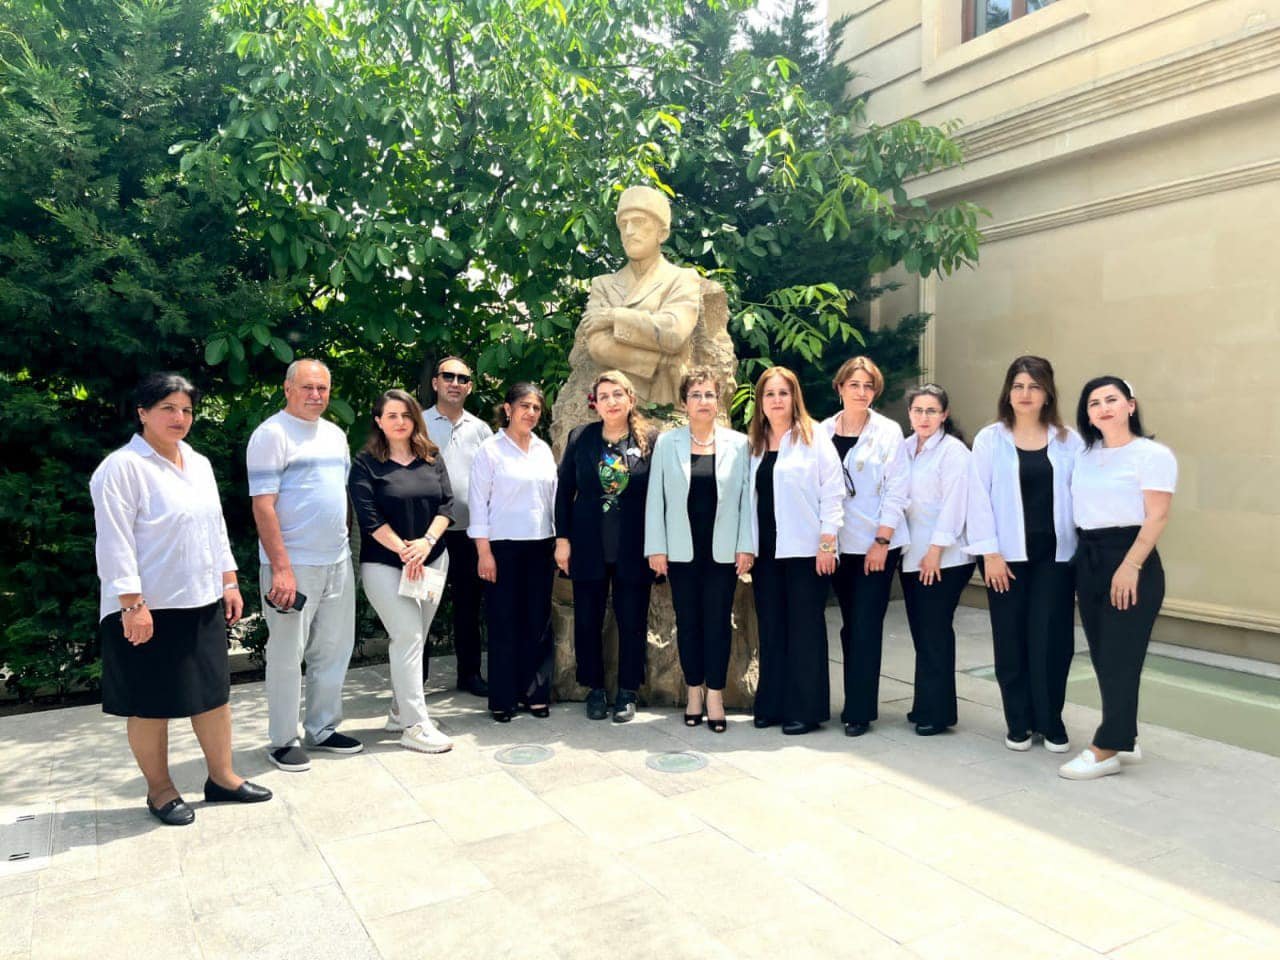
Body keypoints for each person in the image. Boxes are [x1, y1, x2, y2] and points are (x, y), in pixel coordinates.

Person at [91, 373, 271, 826]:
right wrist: (132, 604)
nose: (179, 417)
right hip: (148, 608)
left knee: (213, 696)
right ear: (142, 412)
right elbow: (113, 542)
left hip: (201, 599)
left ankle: (222, 778)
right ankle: (161, 790)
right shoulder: (122, 467)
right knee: (150, 704)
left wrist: (228, 581)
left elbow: (215, 527)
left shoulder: (198, 462)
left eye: (187, 410)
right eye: (168, 408)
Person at [248, 359, 362, 772]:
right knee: (286, 654)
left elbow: (339, 496)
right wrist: (281, 569)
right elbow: (263, 506)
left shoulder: (334, 435)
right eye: (308, 387)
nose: (316, 395)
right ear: (288, 389)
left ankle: (323, 728)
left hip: (336, 561)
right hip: (292, 566)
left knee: (333, 650)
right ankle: (283, 740)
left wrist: (344, 548)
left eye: (323, 388)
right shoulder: (271, 435)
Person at [1059, 376, 1175, 780]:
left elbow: (1157, 516)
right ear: (1087, 414)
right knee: (1103, 656)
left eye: (1111, 399)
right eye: (1094, 403)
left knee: (1121, 657)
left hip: (1130, 558)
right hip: (1088, 557)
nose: (1103, 408)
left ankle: (1106, 747)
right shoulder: (1085, 455)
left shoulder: (1152, 455)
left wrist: (1130, 566)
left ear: (1130, 405)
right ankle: (1125, 734)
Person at [967, 356, 1083, 754]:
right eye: (1018, 386)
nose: (1025, 394)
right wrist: (990, 554)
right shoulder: (990, 439)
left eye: (1034, 386)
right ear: (1008, 393)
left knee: (1053, 642)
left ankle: (1050, 721)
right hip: (1005, 558)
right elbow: (977, 499)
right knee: (1011, 639)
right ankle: (1018, 721)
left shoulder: (1069, 441)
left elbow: (1082, 495)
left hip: (1056, 558)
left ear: (1048, 393)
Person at [645, 369, 754, 733]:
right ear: (684, 402)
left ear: (718, 400)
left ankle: (716, 696)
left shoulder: (738, 443)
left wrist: (746, 546)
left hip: (723, 553)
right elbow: (655, 500)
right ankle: (694, 691)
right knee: (688, 622)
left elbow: (746, 500)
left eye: (709, 394)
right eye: (696, 395)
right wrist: (656, 548)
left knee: (719, 624)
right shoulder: (667, 443)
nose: (703, 401)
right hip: (681, 552)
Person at [348, 389, 455, 754]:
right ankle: (415, 725)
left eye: (406, 415)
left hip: (432, 560)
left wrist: (426, 543)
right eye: (391, 415)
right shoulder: (365, 464)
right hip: (385, 564)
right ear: (378, 421)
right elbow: (369, 517)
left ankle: (399, 709)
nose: (400, 421)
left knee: (416, 638)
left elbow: (447, 505)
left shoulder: (431, 456)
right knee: (407, 635)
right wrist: (405, 550)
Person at [556, 371, 657, 723]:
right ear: (595, 404)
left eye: (617, 394)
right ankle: (595, 688)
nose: (611, 401)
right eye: (604, 396)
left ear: (630, 399)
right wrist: (562, 540)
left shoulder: (651, 440)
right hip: (588, 546)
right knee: (587, 621)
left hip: (634, 547)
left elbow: (660, 496)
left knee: (632, 621)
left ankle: (628, 691)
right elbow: (564, 492)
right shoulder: (580, 438)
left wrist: (659, 546)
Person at [747, 366, 843, 735]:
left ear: (794, 398)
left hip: (806, 551)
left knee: (805, 630)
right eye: (769, 394)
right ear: (761, 401)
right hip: (766, 553)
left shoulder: (814, 437)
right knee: (771, 628)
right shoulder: (754, 444)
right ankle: (772, 705)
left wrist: (827, 544)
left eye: (783, 393)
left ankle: (805, 710)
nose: (776, 400)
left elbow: (833, 493)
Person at [820, 357, 910, 738]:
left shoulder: (888, 432)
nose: (861, 392)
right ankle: (852, 698)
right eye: (854, 384)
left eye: (868, 386)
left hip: (876, 546)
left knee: (865, 626)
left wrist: (882, 541)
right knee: (848, 626)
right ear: (840, 388)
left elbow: (897, 490)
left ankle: (859, 711)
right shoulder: (822, 431)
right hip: (838, 546)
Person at [469, 383, 558, 723]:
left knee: (538, 623)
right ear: (508, 409)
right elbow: (478, 504)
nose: (531, 413)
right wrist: (483, 552)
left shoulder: (542, 449)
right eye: (524, 406)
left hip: (541, 544)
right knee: (504, 622)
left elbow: (552, 499)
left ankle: (535, 694)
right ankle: (503, 699)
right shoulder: (490, 450)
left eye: (536, 408)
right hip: (501, 547)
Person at [576, 186, 702, 406]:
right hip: (614, 402)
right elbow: (597, 345)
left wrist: (614, 316)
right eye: (623, 224)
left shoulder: (682, 278)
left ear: (662, 233)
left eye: (639, 221)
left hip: (665, 401)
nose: (629, 231)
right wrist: (663, 360)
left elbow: (674, 333)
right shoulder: (602, 284)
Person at [900, 383, 974, 736]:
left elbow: (954, 507)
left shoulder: (954, 452)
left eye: (931, 411)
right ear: (909, 413)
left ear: (944, 414)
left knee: (934, 632)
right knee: (923, 633)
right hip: (912, 556)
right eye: (918, 410)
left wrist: (934, 552)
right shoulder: (905, 448)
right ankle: (925, 705)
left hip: (945, 558)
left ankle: (938, 714)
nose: (924, 417)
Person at [423, 356, 494, 697]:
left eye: (462, 378)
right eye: (448, 376)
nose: (454, 383)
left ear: (470, 387)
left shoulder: (481, 430)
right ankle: (415, 680)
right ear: (435, 382)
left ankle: (469, 674)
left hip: (469, 535)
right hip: (427, 536)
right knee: (422, 606)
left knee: (468, 607)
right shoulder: (417, 423)